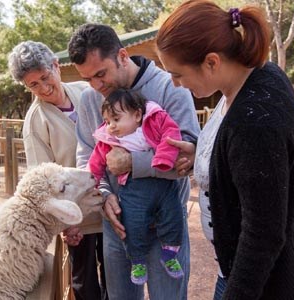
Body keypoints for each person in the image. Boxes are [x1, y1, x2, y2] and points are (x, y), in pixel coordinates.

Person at [155, 1, 294, 299]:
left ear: (211, 62)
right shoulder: (256, 75)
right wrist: (202, 154)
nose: (175, 83)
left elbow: (263, 234)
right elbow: (246, 163)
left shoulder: (254, 122)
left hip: (261, 280)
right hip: (244, 265)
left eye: (178, 74)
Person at [68, 23, 201, 300]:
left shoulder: (170, 88)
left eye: (101, 74)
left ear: (123, 56)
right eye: (88, 78)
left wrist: (132, 162)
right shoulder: (90, 99)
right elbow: (87, 156)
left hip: (165, 224)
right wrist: (104, 195)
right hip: (117, 225)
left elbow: (188, 157)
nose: (96, 86)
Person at [7, 41, 107, 300]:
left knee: (115, 276)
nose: (43, 88)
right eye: (33, 85)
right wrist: (66, 223)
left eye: (44, 77)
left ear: (55, 66)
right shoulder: (36, 122)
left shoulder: (86, 92)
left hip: (108, 204)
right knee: (85, 284)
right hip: (77, 217)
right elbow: (43, 181)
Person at [88, 89, 184, 285]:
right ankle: (137, 261)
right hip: (133, 189)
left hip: (165, 186)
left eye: (116, 119)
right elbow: (96, 162)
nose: (111, 126)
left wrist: (164, 158)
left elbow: (171, 133)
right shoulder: (110, 141)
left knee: (173, 217)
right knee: (133, 225)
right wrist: (93, 182)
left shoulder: (154, 120)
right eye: (107, 121)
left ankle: (170, 253)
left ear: (137, 115)